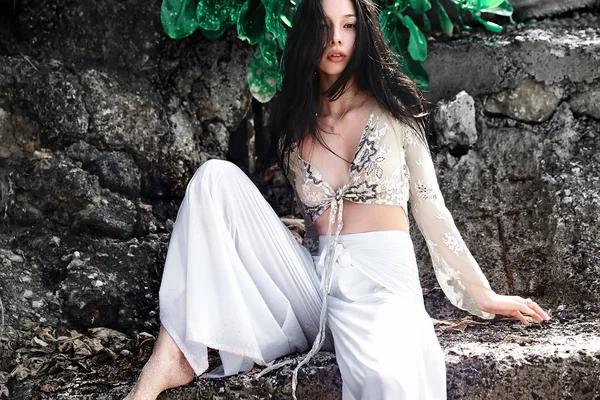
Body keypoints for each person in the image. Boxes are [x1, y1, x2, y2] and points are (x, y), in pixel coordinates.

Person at [126, 0, 551, 399]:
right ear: (308, 34)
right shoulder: (295, 130)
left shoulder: (395, 111)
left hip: (383, 292)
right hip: (318, 293)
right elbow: (316, 230)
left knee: (386, 377)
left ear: (362, 33)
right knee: (212, 177)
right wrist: (292, 241)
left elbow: (430, 207)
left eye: (348, 26)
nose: (337, 39)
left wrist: (483, 294)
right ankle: (172, 355)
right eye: (325, 27)